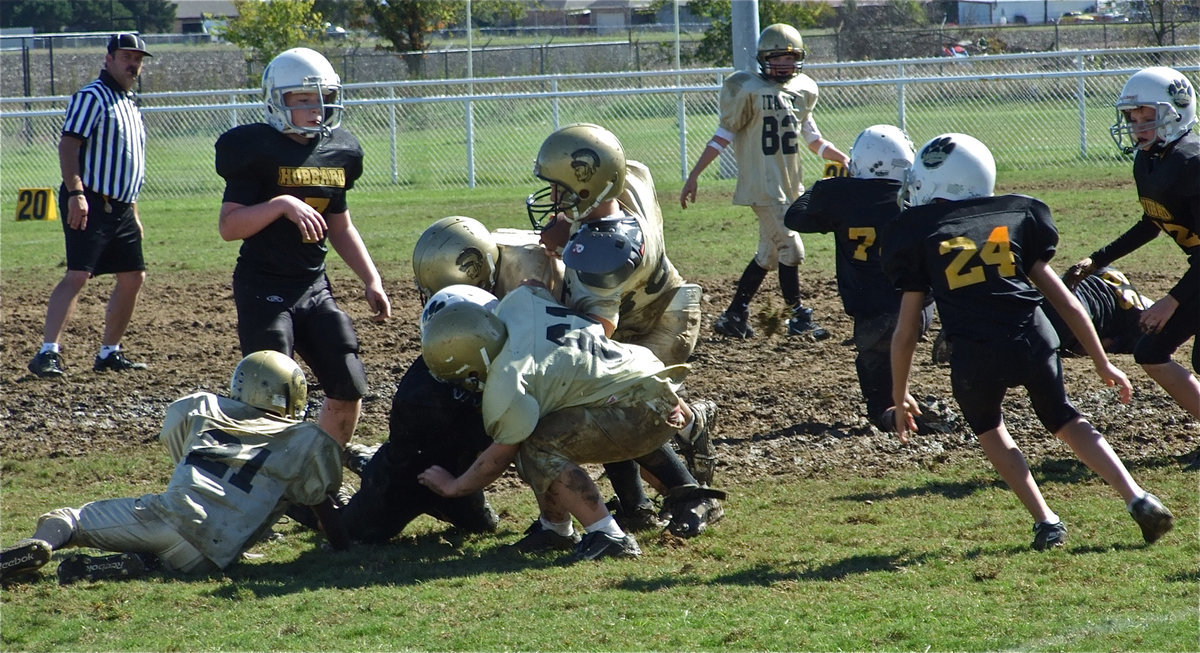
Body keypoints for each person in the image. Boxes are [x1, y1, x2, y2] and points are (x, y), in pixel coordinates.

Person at [883, 132, 1175, 550]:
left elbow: (906, 330)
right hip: (1036, 336)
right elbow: (1068, 303)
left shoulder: (917, 231)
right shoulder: (1016, 215)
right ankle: (1137, 497)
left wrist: (900, 393)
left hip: (975, 349)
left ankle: (1047, 521)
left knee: (989, 427)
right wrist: (1101, 361)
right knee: (1063, 418)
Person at [416, 283, 711, 562]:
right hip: (645, 379)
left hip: (641, 407)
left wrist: (455, 486)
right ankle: (555, 529)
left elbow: (499, 457)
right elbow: (536, 286)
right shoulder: (519, 303)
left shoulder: (507, 381)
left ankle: (608, 536)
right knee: (537, 432)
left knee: (537, 445)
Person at [0, 351, 346, 585]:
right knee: (169, 560)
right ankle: (123, 566)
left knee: (67, 519)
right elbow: (321, 502)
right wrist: (341, 546)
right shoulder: (305, 439)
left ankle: (38, 544)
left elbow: (179, 449)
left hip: (172, 516)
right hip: (211, 558)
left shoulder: (201, 407)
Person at [215, 47, 391, 447]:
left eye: (323, 98)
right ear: (278, 100)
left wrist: (371, 278)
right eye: (304, 99)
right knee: (271, 384)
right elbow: (229, 227)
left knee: (348, 379)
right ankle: (266, 477)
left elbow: (340, 225)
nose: (316, 108)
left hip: (314, 285)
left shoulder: (337, 152)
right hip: (264, 285)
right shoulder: (255, 149)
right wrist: (282, 204)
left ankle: (321, 470)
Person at [679, 23, 847, 340]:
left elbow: (814, 140)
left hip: (789, 186)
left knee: (768, 257)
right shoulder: (747, 89)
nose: (783, 64)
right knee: (792, 250)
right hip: (762, 186)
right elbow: (722, 137)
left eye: (790, 57)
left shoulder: (802, 91)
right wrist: (694, 175)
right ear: (763, 58)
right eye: (777, 57)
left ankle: (734, 315)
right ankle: (797, 316)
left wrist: (842, 159)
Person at [1064, 67, 1199, 420]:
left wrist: (1170, 302)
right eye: (1131, 116)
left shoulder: (1193, 163)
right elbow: (1153, 221)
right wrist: (1097, 260)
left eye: (1146, 116)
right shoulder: (1149, 160)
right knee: (1150, 351)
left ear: (1176, 111)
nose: (1137, 125)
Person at [786, 124, 934, 431]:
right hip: (919, 306)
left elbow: (794, 216)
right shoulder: (916, 193)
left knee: (877, 383)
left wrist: (822, 186)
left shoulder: (842, 194)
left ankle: (891, 415)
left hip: (870, 311)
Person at [27, 33, 154, 379]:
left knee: (133, 277)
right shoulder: (92, 96)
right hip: (91, 199)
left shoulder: (129, 103)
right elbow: (69, 145)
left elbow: (129, 163)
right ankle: (47, 352)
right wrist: (76, 194)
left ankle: (109, 352)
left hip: (123, 206)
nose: (133, 64)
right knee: (78, 274)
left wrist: (135, 212)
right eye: (126, 57)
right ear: (108, 58)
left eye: (138, 59)